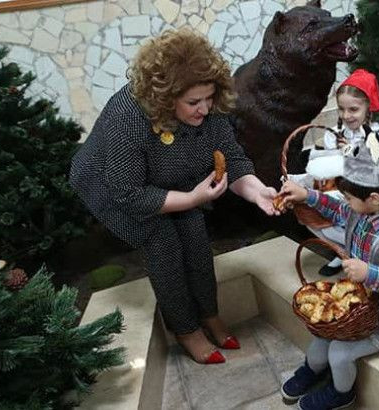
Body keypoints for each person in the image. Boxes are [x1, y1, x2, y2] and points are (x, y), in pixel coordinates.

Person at [69, 28, 279, 364]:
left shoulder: (209, 104)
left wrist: (257, 192)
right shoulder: (128, 117)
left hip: (172, 176)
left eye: (209, 98)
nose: (204, 109)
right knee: (163, 243)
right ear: (165, 99)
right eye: (193, 102)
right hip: (114, 186)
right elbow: (129, 194)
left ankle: (209, 314)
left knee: (195, 236)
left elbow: (232, 157)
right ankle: (186, 329)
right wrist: (192, 198)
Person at [277, 135, 379, 409]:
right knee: (321, 338)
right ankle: (313, 369)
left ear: (373, 198)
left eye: (349, 196)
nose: (346, 201)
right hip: (355, 308)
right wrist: (307, 195)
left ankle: (342, 393)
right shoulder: (361, 211)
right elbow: (338, 209)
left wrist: (369, 273)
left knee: (340, 353)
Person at [290, 68, 379, 277]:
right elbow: (328, 167)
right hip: (342, 193)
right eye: (341, 109)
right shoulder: (335, 134)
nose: (346, 115)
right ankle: (345, 251)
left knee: (365, 227)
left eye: (353, 109)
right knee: (313, 214)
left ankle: (374, 261)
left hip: (370, 198)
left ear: (368, 107)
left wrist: (350, 153)